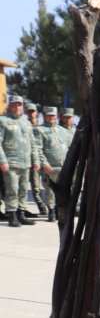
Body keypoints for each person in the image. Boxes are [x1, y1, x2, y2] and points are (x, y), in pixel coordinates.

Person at [0, 95, 39, 227]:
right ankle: (12, 215)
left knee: (23, 189)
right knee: (12, 189)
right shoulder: (3, 121)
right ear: (10, 106)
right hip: (10, 162)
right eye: (14, 105)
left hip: (25, 163)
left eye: (20, 105)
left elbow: (33, 144)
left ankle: (21, 214)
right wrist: (2, 161)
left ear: (23, 107)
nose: (17, 107)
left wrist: (36, 160)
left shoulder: (27, 123)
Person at [37, 106, 70, 222]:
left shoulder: (63, 131)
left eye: (53, 115)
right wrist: (44, 163)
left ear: (57, 116)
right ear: (44, 116)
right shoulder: (39, 130)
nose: (51, 117)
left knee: (63, 190)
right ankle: (51, 211)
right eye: (49, 115)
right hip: (49, 167)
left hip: (63, 167)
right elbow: (38, 149)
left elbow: (70, 147)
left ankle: (59, 210)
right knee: (50, 190)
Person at [25, 102, 48, 216]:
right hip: (31, 161)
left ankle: (52, 207)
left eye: (32, 111)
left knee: (48, 184)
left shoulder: (43, 127)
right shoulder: (24, 126)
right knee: (35, 186)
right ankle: (42, 207)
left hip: (43, 160)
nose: (31, 114)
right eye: (29, 111)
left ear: (37, 113)